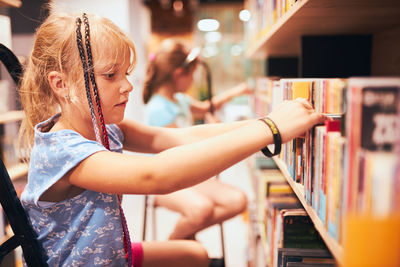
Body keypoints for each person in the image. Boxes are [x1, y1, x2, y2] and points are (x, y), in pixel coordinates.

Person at [18, 10, 327, 267]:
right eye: (111, 75)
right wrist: (271, 130)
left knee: (196, 255)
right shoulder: (64, 151)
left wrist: (262, 123)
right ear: (61, 84)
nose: (127, 86)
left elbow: (181, 137)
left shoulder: (104, 127)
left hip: (115, 256)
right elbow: (156, 175)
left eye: (127, 73)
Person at [142, 38, 250, 241]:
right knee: (200, 210)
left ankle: (184, 242)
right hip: (165, 180)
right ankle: (172, 249)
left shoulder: (179, 100)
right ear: (178, 74)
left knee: (238, 201)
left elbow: (208, 107)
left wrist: (237, 91)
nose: (193, 81)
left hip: (188, 175)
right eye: (191, 75)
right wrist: (220, 134)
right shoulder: (158, 108)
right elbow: (180, 150)